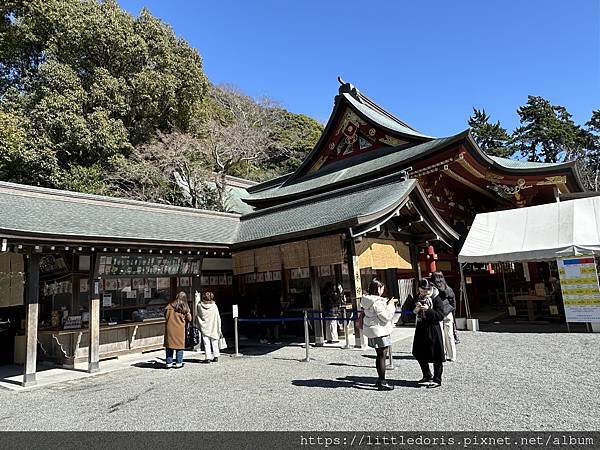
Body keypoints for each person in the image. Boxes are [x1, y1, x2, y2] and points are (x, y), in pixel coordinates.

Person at [361, 278, 397, 391]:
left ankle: (380, 379)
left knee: (380, 354)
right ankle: (382, 381)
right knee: (382, 355)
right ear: (378, 289)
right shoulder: (376, 302)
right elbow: (386, 316)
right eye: (381, 288)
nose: (383, 290)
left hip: (373, 329)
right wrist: (391, 305)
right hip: (379, 330)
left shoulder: (367, 300)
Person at [412, 278, 446, 388]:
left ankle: (437, 379)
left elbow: (440, 316)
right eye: (421, 291)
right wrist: (417, 309)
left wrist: (428, 310)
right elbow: (413, 310)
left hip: (433, 328)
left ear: (431, 289)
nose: (424, 294)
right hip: (421, 327)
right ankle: (427, 374)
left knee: (436, 355)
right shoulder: (419, 297)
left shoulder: (436, 298)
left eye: (426, 291)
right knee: (418, 352)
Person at [431, 271, 457, 361]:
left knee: (440, 335)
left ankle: (443, 355)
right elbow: (453, 299)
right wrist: (452, 309)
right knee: (450, 335)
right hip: (448, 313)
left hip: (438, 313)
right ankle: (452, 355)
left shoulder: (433, 288)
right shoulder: (447, 287)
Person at [164, 291, 192, 369]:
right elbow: (189, 319)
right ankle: (179, 363)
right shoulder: (185, 308)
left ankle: (168, 363)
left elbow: (165, 315)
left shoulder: (169, 306)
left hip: (170, 329)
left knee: (169, 346)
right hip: (180, 329)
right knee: (179, 346)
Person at [196, 291, 222, 363]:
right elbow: (217, 316)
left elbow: (198, 315)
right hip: (213, 325)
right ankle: (216, 355)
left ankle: (208, 357)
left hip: (204, 326)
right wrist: (219, 326)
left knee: (206, 342)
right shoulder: (214, 306)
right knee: (214, 341)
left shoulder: (200, 306)